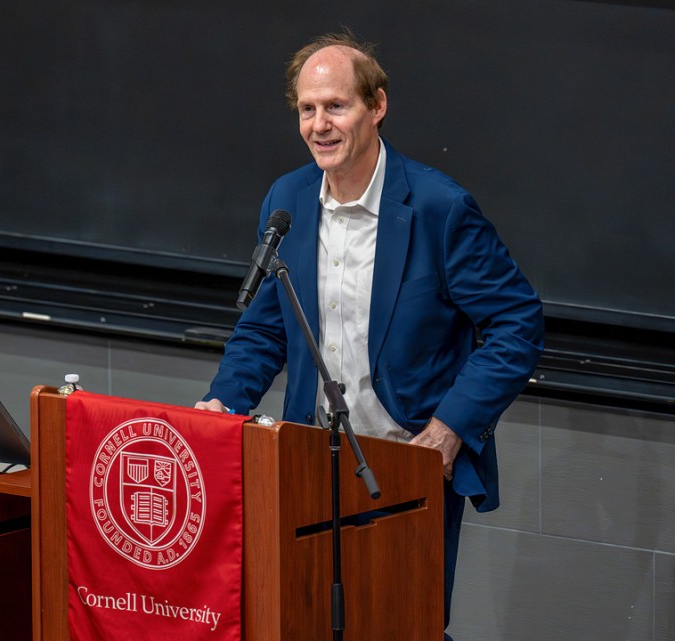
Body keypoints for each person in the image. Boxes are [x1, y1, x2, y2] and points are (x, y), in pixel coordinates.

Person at [196, 31, 543, 638]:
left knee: (400, 623)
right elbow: (266, 326)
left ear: (377, 106)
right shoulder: (288, 200)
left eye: (336, 106)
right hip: (306, 460)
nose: (319, 125)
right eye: (307, 108)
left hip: (406, 464)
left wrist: (448, 430)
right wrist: (224, 404)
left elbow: (517, 322)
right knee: (303, 621)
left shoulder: (439, 207)